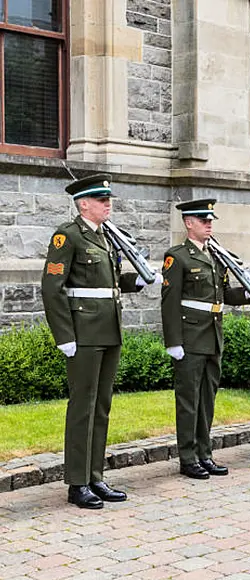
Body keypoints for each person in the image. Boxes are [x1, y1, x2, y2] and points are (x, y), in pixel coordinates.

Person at [42, 174, 159, 509]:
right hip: (84, 333)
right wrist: (64, 336)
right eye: (101, 199)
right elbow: (52, 288)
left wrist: (136, 280)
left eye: (108, 199)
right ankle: (77, 483)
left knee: (102, 406)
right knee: (83, 407)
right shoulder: (68, 235)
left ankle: (95, 476)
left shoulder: (105, 236)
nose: (108, 204)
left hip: (108, 329)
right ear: (83, 204)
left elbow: (110, 282)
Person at [161, 199, 250, 479]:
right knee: (188, 400)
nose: (209, 224)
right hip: (190, 336)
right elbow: (169, 302)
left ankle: (204, 453)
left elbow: (224, 295)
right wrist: (173, 342)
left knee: (207, 399)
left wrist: (249, 294)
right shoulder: (178, 256)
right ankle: (187, 457)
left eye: (210, 220)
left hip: (212, 335)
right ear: (188, 223)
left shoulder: (216, 256)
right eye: (203, 220)